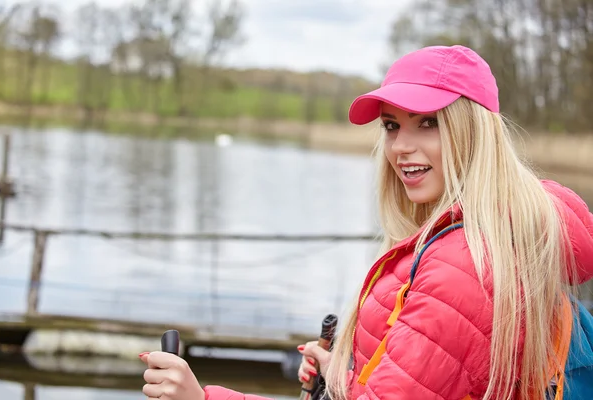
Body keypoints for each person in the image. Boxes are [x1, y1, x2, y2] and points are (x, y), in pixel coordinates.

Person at [138, 45, 593, 400]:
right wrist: (344, 372)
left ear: (472, 130)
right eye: (393, 126)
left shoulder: (464, 264)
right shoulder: (485, 236)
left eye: (428, 123)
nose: (401, 147)